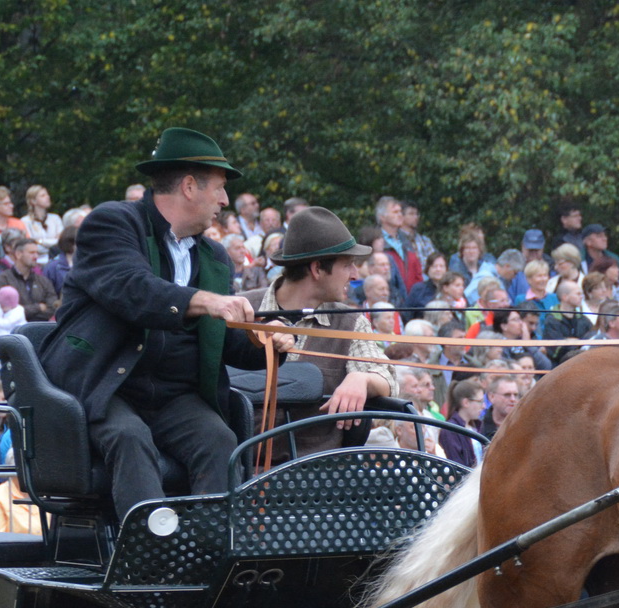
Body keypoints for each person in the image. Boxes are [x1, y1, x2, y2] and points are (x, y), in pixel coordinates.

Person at [37, 128, 289, 522]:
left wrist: (268, 342)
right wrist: (206, 301)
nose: (225, 201)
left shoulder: (215, 257)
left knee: (219, 439)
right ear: (190, 186)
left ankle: (213, 558)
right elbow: (131, 289)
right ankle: (151, 560)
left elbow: (221, 343)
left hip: (173, 395)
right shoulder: (112, 223)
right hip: (107, 383)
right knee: (129, 437)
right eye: (220, 188)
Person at [241, 206, 412, 457]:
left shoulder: (350, 321)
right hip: (242, 470)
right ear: (318, 268)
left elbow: (387, 378)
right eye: (348, 265)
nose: (355, 275)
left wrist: (362, 379)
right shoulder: (242, 310)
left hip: (320, 477)